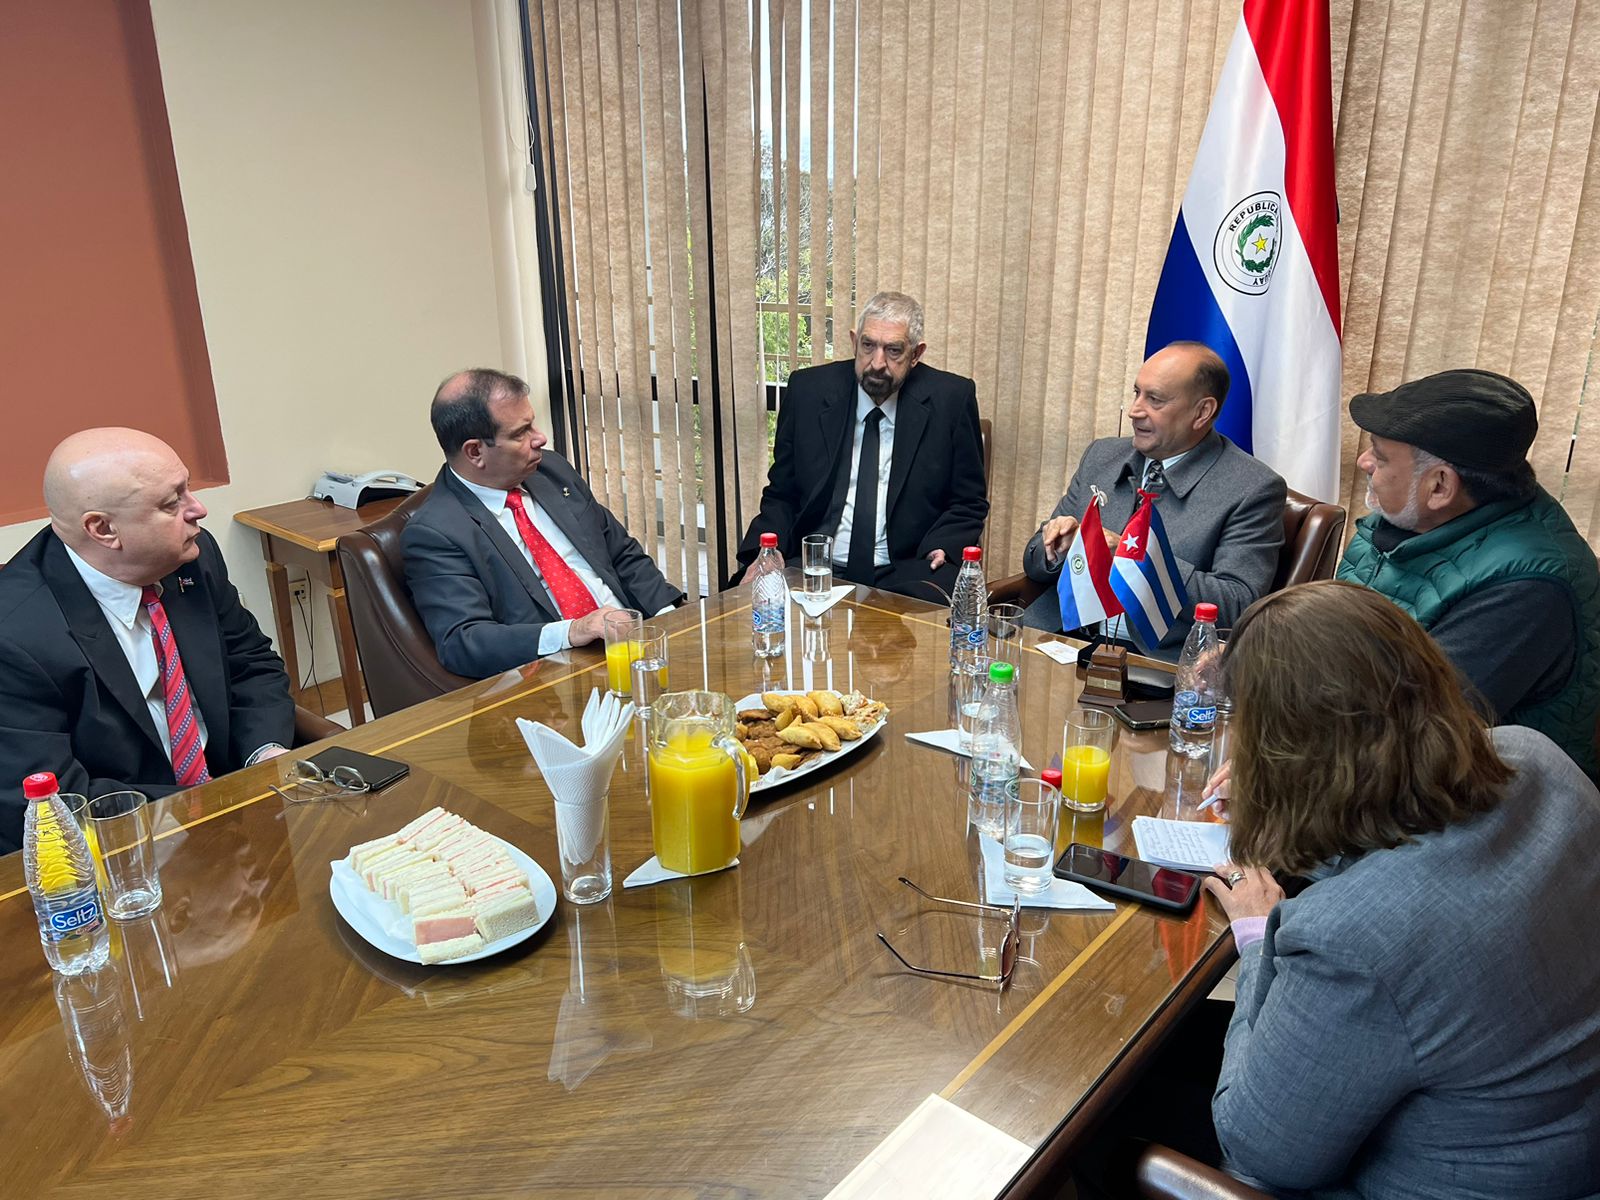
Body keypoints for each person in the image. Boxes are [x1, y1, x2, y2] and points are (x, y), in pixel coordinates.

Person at [1191, 581, 1600, 1197]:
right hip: (1565, 1134)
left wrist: (1257, 936)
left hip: (1446, 1181)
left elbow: (1256, 1150)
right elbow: (1407, 856)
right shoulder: (1537, 758)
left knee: (1117, 1123)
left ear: (1290, 756)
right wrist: (1303, 809)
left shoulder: (1350, 941)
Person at [0, 429, 294, 855]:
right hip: (125, 850)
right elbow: (50, 801)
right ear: (103, 529)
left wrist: (263, 753)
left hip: (241, 806)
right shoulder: (15, 634)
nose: (198, 509)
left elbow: (250, 662)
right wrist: (205, 811)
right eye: (171, 502)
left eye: (187, 488)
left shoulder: (192, 557)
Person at [1337, 368, 1600, 780]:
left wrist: (1279, 773)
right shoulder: (1407, 521)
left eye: (1381, 455)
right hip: (1357, 760)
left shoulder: (1528, 588)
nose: (1364, 461)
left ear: (1439, 486)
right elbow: (1329, 650)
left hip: (1479, 807)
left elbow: (1410, 732)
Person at [403, 368, 684, 679]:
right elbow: (463, 641)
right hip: (559, 678)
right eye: (521, 432)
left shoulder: (551, 470)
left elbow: (620, 553)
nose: (540, 438)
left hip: (637, 647)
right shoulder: (436, 532)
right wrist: (573, 631)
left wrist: (670, 620)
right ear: (475, 452)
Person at [1019, 341, 1285, 658]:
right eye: (1137, 393)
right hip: (1059, 639)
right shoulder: (1102, 456)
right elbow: (1035, 562)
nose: (1135, 410)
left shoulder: (1252, 487)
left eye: (1155, 400)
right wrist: (1055, 549)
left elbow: (1238, 604)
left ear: (1202, 412)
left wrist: (1140, 560)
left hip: (1152, 661)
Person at [735, 291, 988, 601]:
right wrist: (768, 552)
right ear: (854, 341)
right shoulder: (808, 391)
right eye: (868, 346)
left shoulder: (951, 399)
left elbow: (969, 500)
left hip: (906, 569)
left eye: (893, 350)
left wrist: (945, 543)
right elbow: (782, 492)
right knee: (747, 603)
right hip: (815, 565)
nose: (877, 363)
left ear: (916, 354)